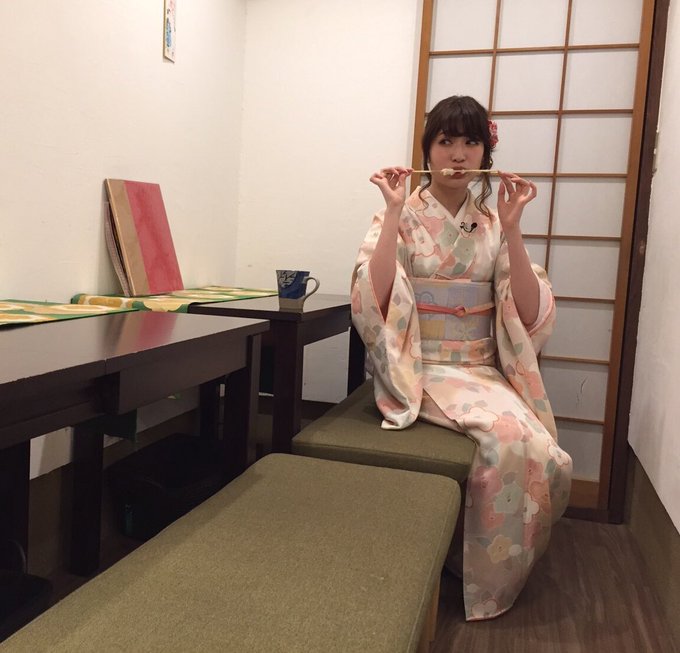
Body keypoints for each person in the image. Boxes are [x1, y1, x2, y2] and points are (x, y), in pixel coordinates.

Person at [351, 95, 572, 621]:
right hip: (419, 365)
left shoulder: (493, 222)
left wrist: (513, 229)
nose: (457, 154)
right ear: (426, 149)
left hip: (479, 367)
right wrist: (394, 211)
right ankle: (472, 570)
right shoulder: (401, 212)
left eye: (471, 142)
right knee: (507, 439)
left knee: (550, 454)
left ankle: (474, 562)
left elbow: (528, 311)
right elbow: (374, 299)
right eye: (445, 141)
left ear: (485, 155)